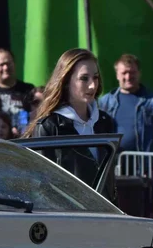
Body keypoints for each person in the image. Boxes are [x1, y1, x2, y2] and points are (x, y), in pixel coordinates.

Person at [24, 48, 116, 185]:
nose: (92, 86)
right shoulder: (49, 126)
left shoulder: (104, 121)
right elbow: (42, 183)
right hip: (68, 206)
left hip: (103, 206)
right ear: (66, 81)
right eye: (84, 78)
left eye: (95, 77)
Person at [97, 54, 153, 153]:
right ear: (117, 75)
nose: (128, 77)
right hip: (115, 165)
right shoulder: (105, 102)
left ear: (139, 73)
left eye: (132, 72)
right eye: (124, 73)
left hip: (147, 166)